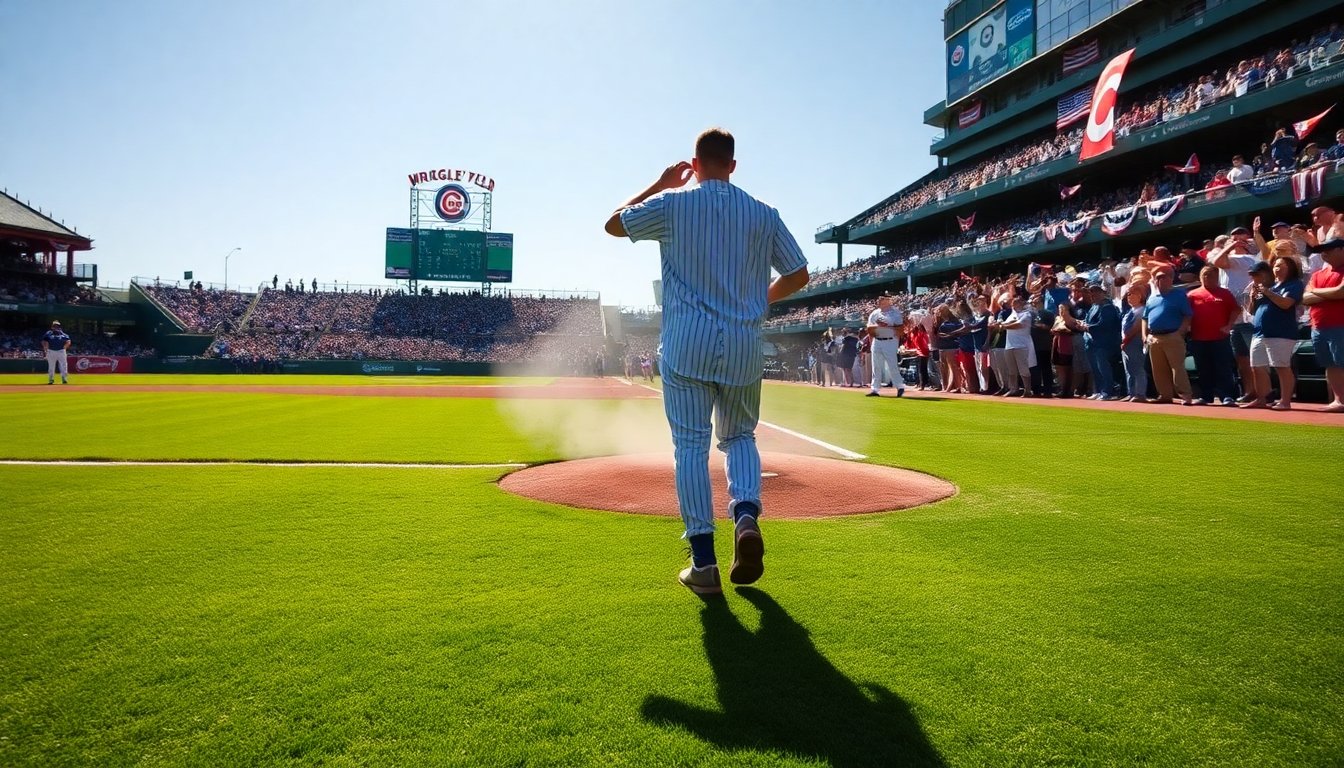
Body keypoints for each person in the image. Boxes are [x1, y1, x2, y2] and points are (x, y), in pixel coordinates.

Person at [605, 128, 809, 595]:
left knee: (690, 449)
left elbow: (614, 224)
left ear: (694, 165)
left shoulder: (675, 204)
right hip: (743, 343)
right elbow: (799, 272)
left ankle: (704, 564)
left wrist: (660, 185)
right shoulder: (763, 213)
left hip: (686, 343)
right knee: (739, 436)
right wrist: (761, 297)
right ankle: (745, 516)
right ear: (733, 165)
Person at [1242, 257, 1304, 410]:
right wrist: (1252, 297)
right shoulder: (1271, 286)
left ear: (1290, 267)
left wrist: (1267, 292)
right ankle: (1261, 399)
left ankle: (1285, 401)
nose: (1277, 268)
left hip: (1280, 332)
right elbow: (1251, 311)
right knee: (1256, 366)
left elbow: (1286, 303)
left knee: (1281, 366)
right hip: (1259, 333)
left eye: (1281, 265)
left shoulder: (1294, 284)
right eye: (1275, 265)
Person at [1186, 265, 1242, 405]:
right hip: (1199, 337)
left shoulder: (1224, 293)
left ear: (1216, 277)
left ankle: (1227, 396)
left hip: (1220, 338)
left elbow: (1235, 310)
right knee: (1203, 368)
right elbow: (1186, 314)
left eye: (1210, 275)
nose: (1207, 278)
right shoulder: (1192, 295)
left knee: (1223, 368)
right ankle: (1206, 396)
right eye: (1204, 275)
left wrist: (1229, 325)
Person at [1141, 265, 1195, 405]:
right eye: (1158, 278)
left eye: (1164, 277)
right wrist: (1145, 335)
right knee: (1158, 370)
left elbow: (1187, 315)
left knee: (1177, 368)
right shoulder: (1152, 298)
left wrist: (1180, 332)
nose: (1160, 280)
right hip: (1154, 337)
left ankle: (1185, 395)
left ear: (1171, 279)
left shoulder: (1179, 295)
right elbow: (1145, 318)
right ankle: (1165, 395)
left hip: (1172, 335)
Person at [1302, 237, 1344, 412]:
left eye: (1329, 249)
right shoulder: (1317, 274)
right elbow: (1304, 298)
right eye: (1322, 249)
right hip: (1319, 327)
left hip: (1340, 325)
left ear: (1342, 249)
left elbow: (1341, 292)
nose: (1324, 253)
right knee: (1331, 364)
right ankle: (1339, 401)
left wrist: (1316, 292)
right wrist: (1329, 294)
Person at [1077, 283, 1122, 399]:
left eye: (1096, 291)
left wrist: (1086, 327)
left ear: (1103, 292)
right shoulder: (1094, 306)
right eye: (1090, 292)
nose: (1093, 294)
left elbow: (1103, 325)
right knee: (1095, 368)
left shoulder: (1107, 307)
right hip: (1091, 343)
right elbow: (1087, 320)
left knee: (1103, 367)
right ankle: (1098, 390)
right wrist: (1081, 323)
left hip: (1103, 343)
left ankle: (1107, 391)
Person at [866, 293, 904, 397]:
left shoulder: (895, 312)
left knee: (892, 365)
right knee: (876, 366)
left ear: (888, 301)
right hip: (877, 340)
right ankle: (875, 389)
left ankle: (899, 386)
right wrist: (871, 343)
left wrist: (887, 327)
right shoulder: (874, 313)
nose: (880, 301)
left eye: (883, 299)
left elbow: (900, 329)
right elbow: (869, 329)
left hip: (890, 340)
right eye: (880, 299)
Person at [1120, 284, 1148, 401]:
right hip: (1126, 343)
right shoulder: (1129, 311)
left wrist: (1126, 340)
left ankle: (1140, 393)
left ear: (1140, 296)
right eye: (1128, 294)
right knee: (1129, 370)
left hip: (1135, 341)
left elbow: (1137, 327)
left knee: (1138, 369)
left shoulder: (1142, 310)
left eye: (1132, 294)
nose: (1129, 297)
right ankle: (1131, 392)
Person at [41, 320, 71, 385]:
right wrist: (45, 349)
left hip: (61, 351)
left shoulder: (63, 334)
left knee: (64, 365)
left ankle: (64, 379)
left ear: (59, 327)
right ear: (52, 327)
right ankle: (51, 379)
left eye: (57, 326)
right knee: (51, 366)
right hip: (51, 351)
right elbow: (44, 341)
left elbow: (68, 341)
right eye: (54, 326)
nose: (56, 327)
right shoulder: (48, 333)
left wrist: (64, 347)